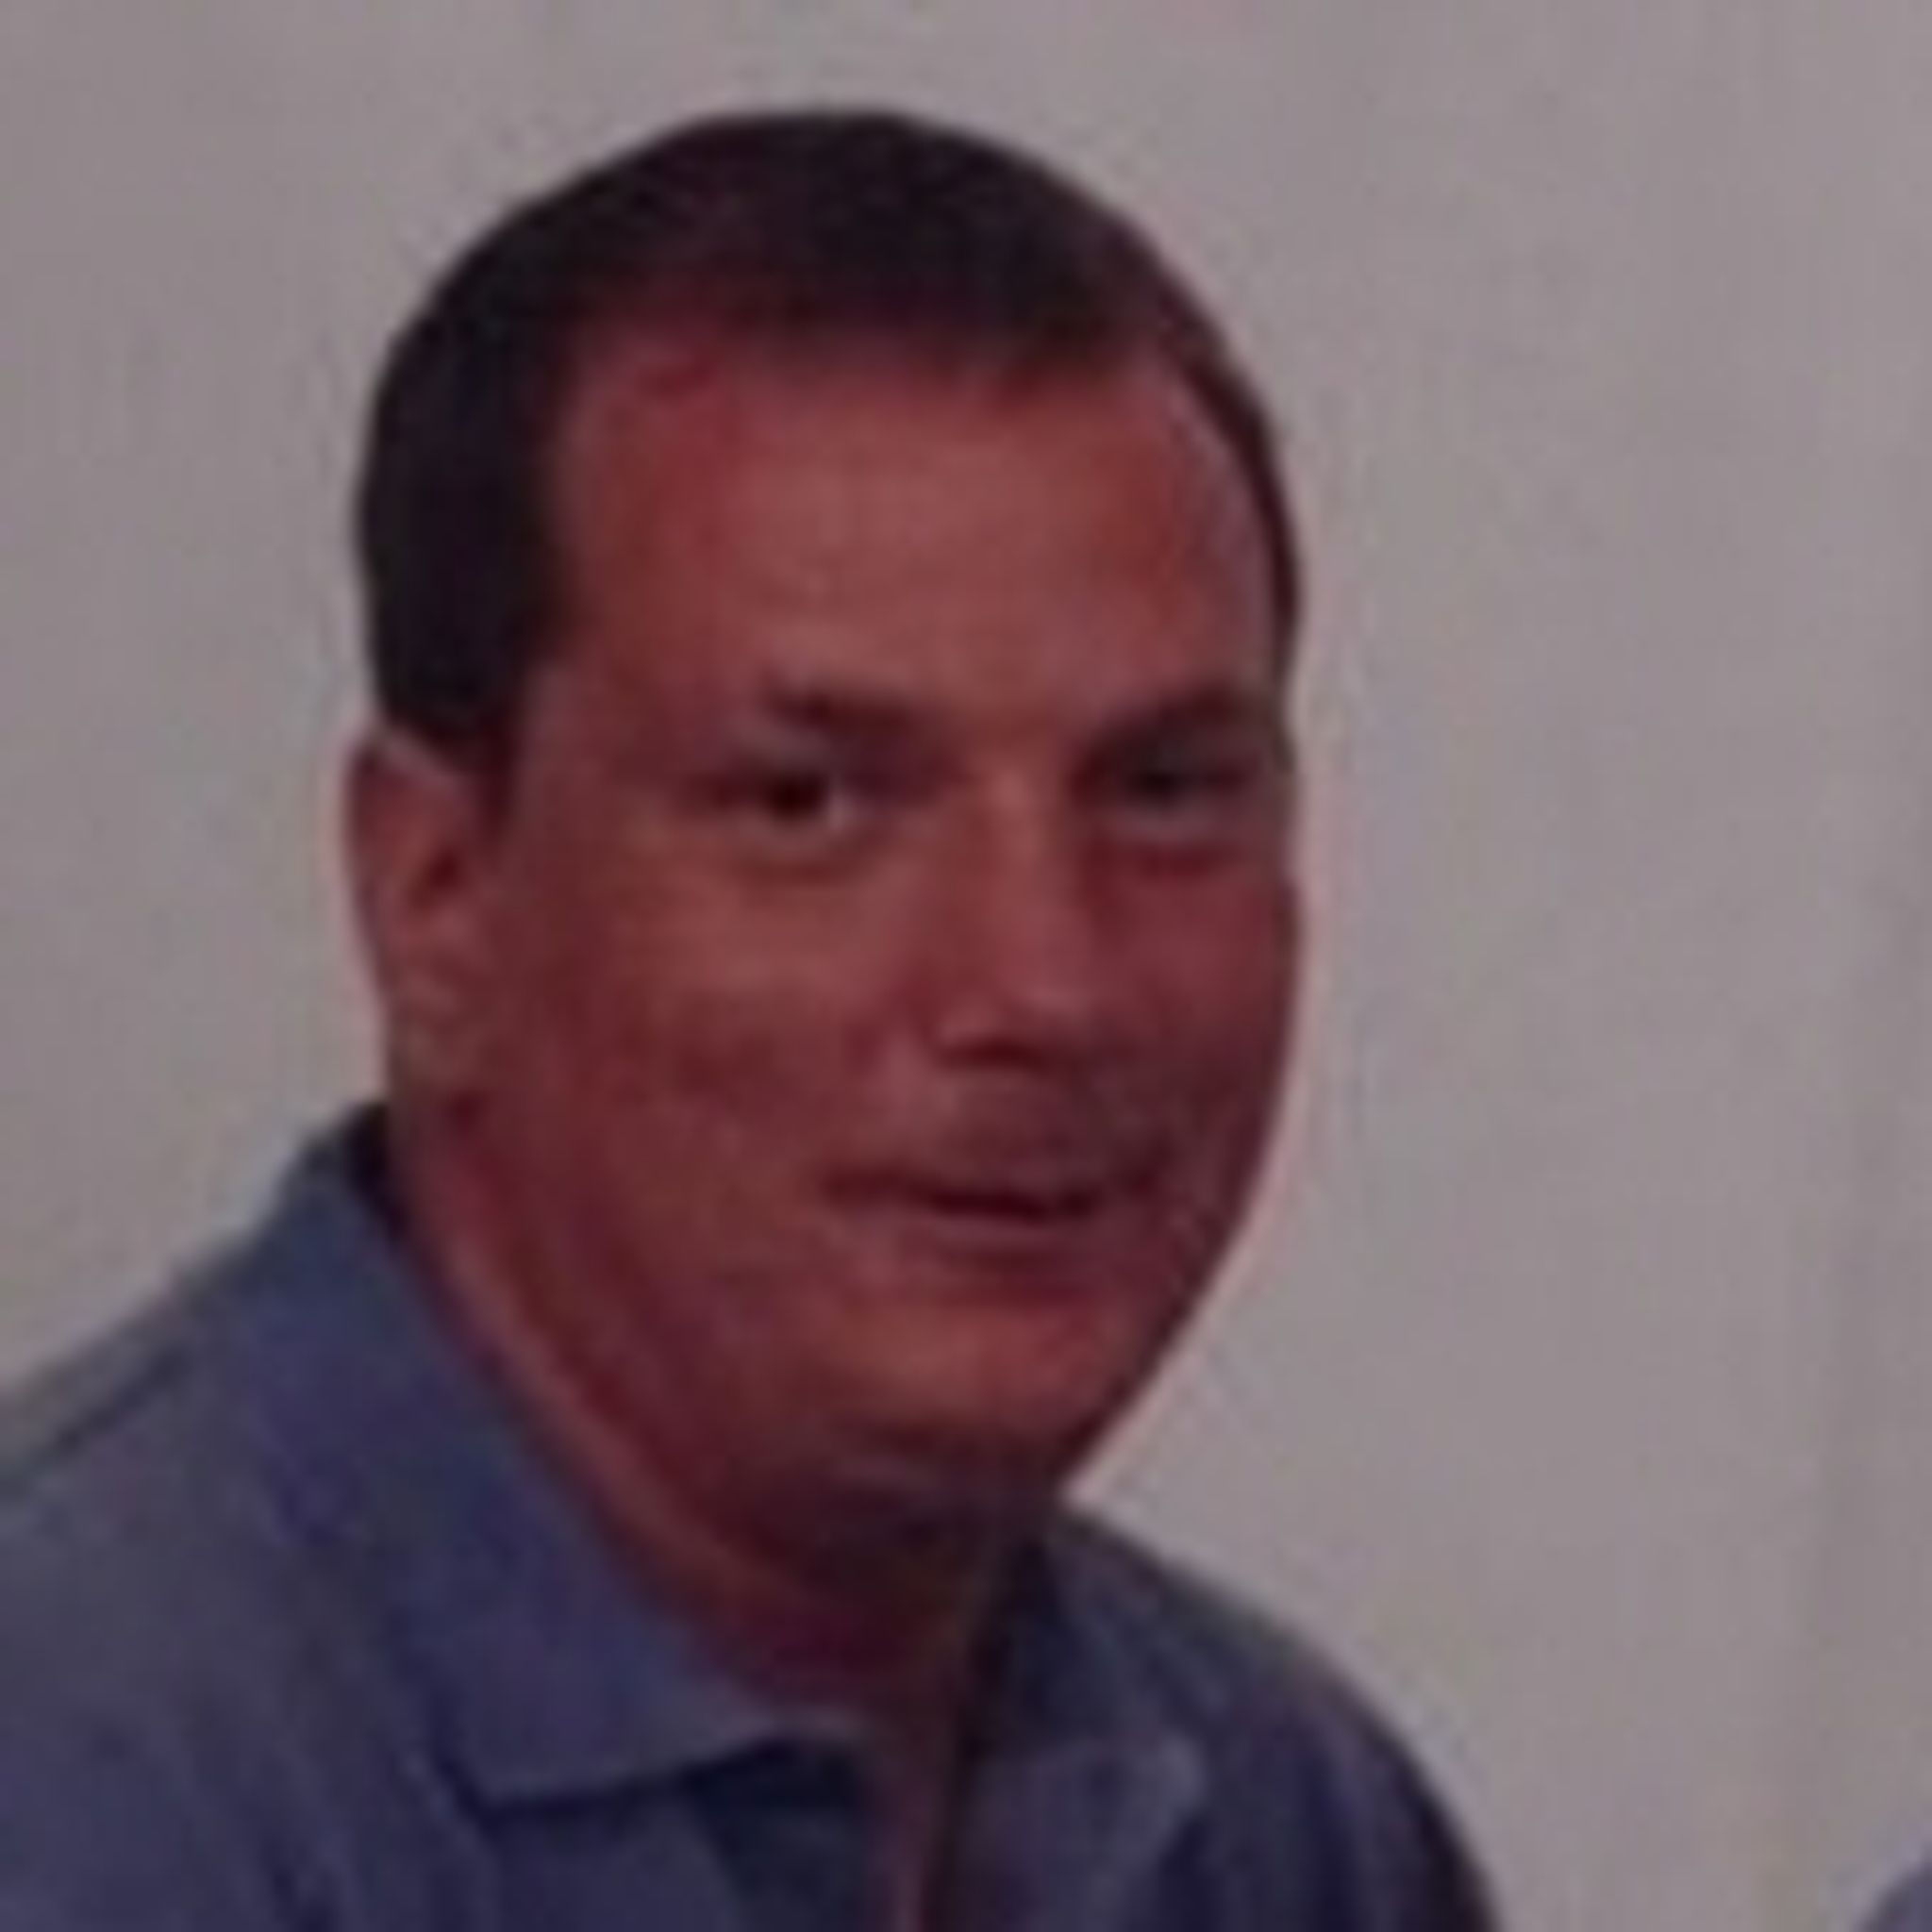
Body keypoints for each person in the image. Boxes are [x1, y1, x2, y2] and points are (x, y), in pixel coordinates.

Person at [0, 108, 1495, 1929]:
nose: (1044, 983)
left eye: (1165, 792)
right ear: (436, 896)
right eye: (810, 804)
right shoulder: (79, 1781)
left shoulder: (1281, 1823)